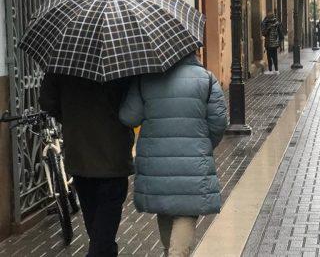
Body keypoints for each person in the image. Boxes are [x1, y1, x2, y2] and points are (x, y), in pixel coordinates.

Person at [119, 52, 227, 257]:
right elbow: (219, 122)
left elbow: (129, 117)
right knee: (186, 210)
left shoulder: (145, 79)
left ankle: (170, 251)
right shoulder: (205, 78)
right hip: (194, 159)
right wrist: (203, 146)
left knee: (165, 205)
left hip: (156, 161)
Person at [39, 75, 134, 257]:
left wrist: (71, 117)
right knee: (106, 221)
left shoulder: (63, 64)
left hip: (79, 150)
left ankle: (103, 250)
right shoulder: (121, 63)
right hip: (113, 153)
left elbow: (47, 103)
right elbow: (133, 109)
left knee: (93, 216)